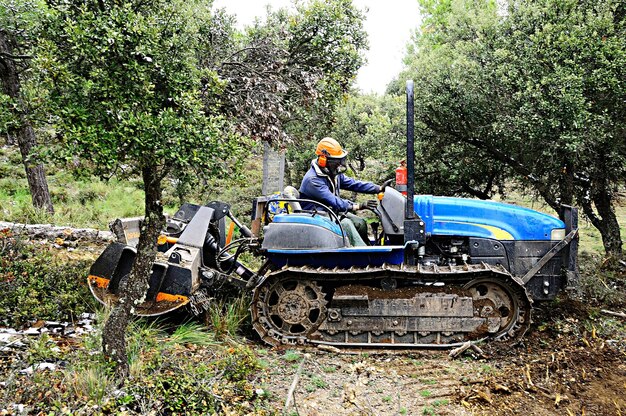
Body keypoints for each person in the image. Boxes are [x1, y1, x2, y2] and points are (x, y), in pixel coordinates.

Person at [299, 137, 388, 246]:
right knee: (346, 224)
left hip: (330, 212)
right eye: (336, 161)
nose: (338, 165)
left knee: (360, 223)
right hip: (318, 215)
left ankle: (367, 247)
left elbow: (353, 184)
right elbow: (334, 201)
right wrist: (358, 206)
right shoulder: (313, 180)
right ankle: (364, 255)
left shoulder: (332, 173)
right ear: (323, 160)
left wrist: (377, 188)